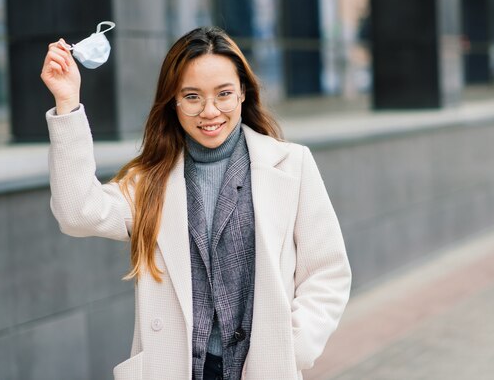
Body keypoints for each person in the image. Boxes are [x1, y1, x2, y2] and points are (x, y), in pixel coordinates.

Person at [41, 26, 351, 380]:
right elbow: (77, 214)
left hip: (264, 368)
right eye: (192, 97)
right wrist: (67, 104)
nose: (210, 111)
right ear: (172, 101)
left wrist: (291, 344)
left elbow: (327, 272)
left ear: (243, 94)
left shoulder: (291, 165)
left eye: (224, 94)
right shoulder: (150, 181)